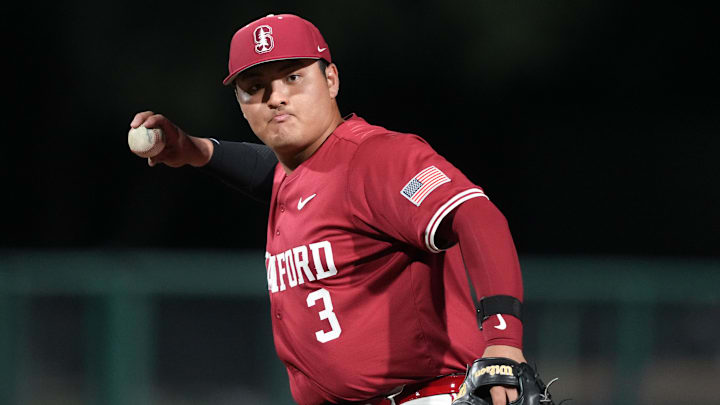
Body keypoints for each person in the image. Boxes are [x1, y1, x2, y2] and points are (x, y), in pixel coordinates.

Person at [130, 13, 556, 405]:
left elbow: (476, 214)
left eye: (293, 77)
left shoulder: (377, 157)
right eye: (255, 87)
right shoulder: (298, 171)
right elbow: (270, 170)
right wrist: (195, 149)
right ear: (241, 103)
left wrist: (502, 342)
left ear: (331, 79)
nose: (276, 97)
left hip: (423, 396)